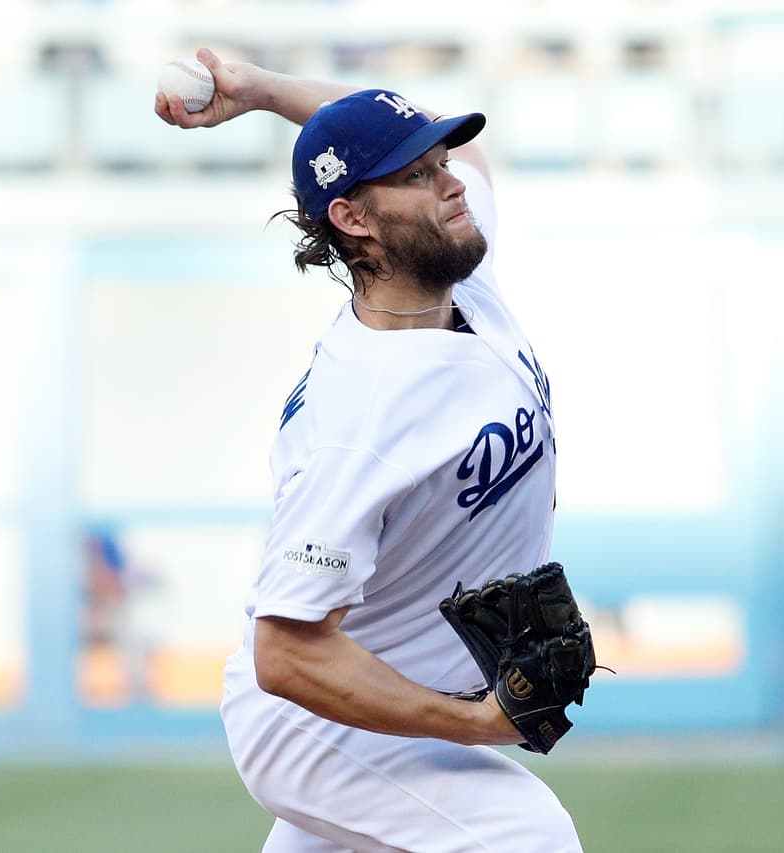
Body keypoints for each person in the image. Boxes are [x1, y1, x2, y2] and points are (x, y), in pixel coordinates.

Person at [156, 49, 581, 851]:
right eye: (417, 175)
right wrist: (471, 721)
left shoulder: (460, 278)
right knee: (527, 838)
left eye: (439, 160)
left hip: (381, 691)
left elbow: (472, 159)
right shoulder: (363, 421)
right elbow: (283, 651)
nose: (452, 183)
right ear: (353, 219)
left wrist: (270, 93)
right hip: (311, 722)